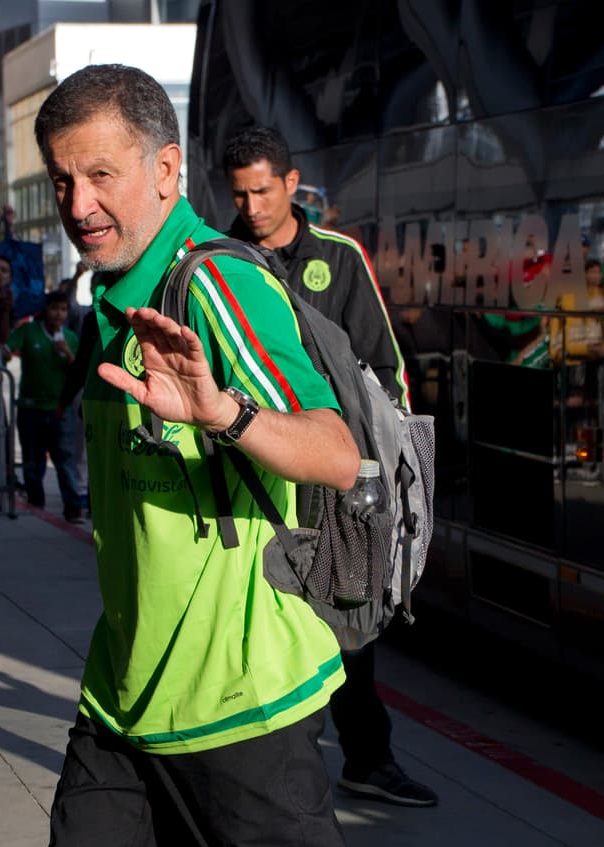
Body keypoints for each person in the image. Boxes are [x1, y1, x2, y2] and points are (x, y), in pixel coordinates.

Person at [37, 65, 360, 847]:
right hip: (123, 695)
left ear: (168, 169)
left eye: (101, 175)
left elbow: (339, 453)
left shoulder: (217, 282)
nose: (78, 206)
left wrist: (227, 413)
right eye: (62, 180)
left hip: (241, 706)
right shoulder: (114, 298)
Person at [223, 125, 437, 808]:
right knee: (259, 619)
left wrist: (386, 462)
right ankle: (269, 764)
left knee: (349, 614)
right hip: (249, 468)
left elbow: (383, 361)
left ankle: (367, 759)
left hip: (335, 469)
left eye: (262, 189)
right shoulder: (213, 258)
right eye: (239, 193)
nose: (252, 205)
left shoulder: (338, 257)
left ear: (291, 183)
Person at [6, 290, 82, 522]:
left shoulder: (70, 337)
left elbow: (78, 372)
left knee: (65, 461)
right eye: (54, 308)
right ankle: (35, 502)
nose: (58, 314)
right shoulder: (28, 331)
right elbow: (7, 349)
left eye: (63, 309)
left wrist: (68, 354)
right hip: (31, 408)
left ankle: (73, 508)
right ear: (45, 311)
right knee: (32, 459)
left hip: (60, 410)